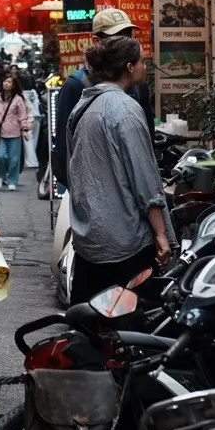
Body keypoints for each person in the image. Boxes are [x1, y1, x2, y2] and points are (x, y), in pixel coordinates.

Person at [63, 34, 171, 305]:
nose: (145, 68)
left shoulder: (84, 105)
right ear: (129, 67)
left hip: (90, 239)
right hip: (125, 241)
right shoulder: (124, 108)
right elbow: (144, 179)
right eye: (142, 62)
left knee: (88, 326)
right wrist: (161, 234)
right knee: (136, 328)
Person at [51, 7, 152, 185]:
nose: (125, 43)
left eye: (128, 36)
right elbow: (65, 148)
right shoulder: (76, 85)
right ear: (97, 41)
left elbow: (147, 139)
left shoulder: (138, 85)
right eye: (116, 37)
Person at [0, 73, 32, 190]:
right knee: (0, 156)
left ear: (13, 86)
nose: (6, 83)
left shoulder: (18, 99)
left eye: (9, 82)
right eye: (5, 81)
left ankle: (12, 180)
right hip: (0, 133)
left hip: (15, 133)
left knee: (14, 159)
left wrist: (25, 130)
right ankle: (0, 177)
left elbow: (22, 116)